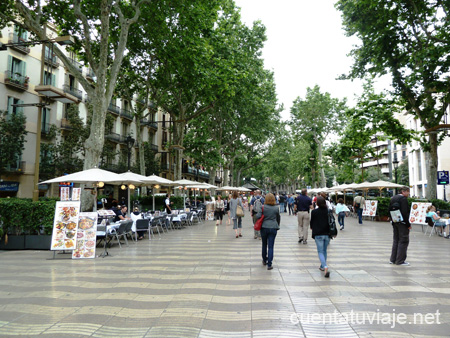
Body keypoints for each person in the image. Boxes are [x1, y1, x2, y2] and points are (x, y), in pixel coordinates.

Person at [255, 193, 280, 270]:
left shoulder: (263, 207)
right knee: (271, 246)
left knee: (264, 244)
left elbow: (258, 216)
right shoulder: (276, 208)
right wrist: (277, 225)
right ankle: (270, 264)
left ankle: (264, 260)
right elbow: (278, 217)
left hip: (264, 227)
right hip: (273, 227)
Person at [310, 196, 331, 278]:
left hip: (318, 234)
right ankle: (322, 266)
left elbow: (312, 222)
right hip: (327, 234)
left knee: (320, 251)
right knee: (325, 250)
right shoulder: (328, 211)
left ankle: (325, 266)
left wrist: (312, 227)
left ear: (317, 203)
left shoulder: (314, 212)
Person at [389, 186, 411, 266]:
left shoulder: (393, 198)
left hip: (395, 221)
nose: (408, 194)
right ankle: (400, 260)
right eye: (408, 192)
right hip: (402, 223)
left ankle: (393, 259)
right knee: (403, 240)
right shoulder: (403, 199)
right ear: (404, 191)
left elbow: (389, 209)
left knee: (396, 240)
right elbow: (405, 213)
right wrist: (408, 224)